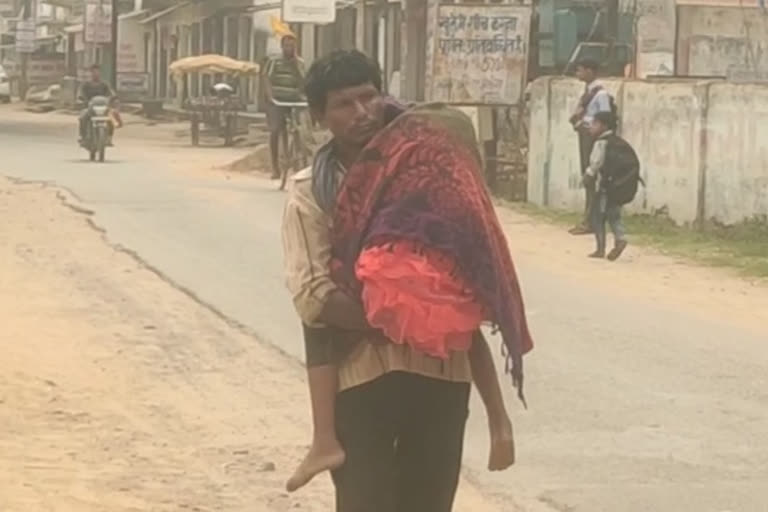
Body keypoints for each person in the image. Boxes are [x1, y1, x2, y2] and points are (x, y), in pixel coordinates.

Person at [282, 50, 533, 511]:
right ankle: (323, 440)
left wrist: (498, 418)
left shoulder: (435, 175)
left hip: (441, 374)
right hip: (361, 376)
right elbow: (314, 296)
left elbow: (463, 284)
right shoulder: (311, 191)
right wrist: (406, 319)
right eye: (343, 104)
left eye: (368, 97)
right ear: (319, 115)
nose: (362, 113)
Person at [585, 111, 639, 260]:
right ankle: (620, 238)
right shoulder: (618, 142)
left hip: (604, 187)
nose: (591, 127)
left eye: (594, 124)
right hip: (618, 186)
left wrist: (588, 175)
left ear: (603, 125)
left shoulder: (601, 143)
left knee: (597, 217)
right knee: (614, 215)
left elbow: (596, 163)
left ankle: (600, 249)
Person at [568, 58, 614, 235]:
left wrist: (586, 124)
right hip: (586, 134)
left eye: (580, 70)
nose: (578, 74)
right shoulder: (588, 91)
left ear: (590, 71)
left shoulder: (600, 94)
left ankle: (591, 221)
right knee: (588, 177)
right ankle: (589, 219)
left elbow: (605, 117)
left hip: (591, 137)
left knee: (591, 176)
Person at [264, 34, 305, 180]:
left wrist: (296, 66)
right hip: (277, 101)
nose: (290, 48)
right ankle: (276, 168)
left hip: (294, 100)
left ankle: (300, 158)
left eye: (292, 46)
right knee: (275, 130)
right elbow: (267, 79)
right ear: (282, 46)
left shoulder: (300, 62)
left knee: (301, 129)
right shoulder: (274, 61)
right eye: (287, 45)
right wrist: (271, 97)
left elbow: (302, 82)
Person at [78, 64, 118, 144]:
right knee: (83, 118)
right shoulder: (86, 85)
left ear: (99, 73)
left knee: (112, 118)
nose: (95, 74)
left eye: (97, 72)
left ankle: (109, 138)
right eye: (93, 72)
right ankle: (83, 137)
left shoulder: (104, 84)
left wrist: (113, 97)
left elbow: (111, 92)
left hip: (103, 108)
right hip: (90, 107)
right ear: (91, 73)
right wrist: (81, 98)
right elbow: (80, 93)